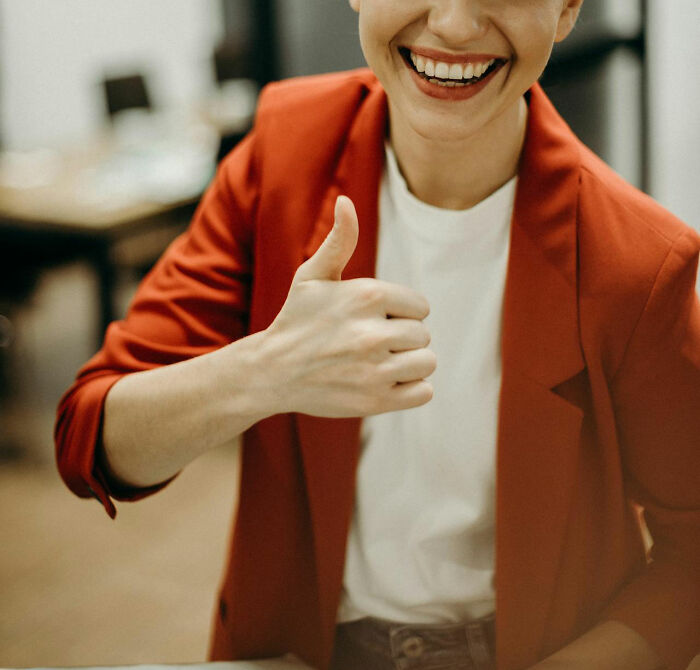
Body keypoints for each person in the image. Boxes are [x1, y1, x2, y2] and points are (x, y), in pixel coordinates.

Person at [55, 1, 700, 669]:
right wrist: (263, 371)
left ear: (567, 8)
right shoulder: (283, 154)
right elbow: (91, 439)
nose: (452, 24)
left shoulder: (636, 262)